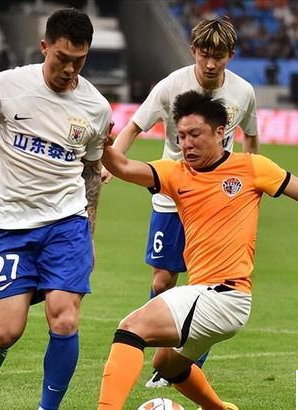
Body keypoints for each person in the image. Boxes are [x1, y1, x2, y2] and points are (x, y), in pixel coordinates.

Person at [97, 91, 298, 410]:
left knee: (130, 328)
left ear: (220, 132)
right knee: (167, 364)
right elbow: (123, 166)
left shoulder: (252, 168)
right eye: (181, 136)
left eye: (195, 134)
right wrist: (104, 146)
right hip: (207, 295)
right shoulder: (175, 173)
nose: (186, 144)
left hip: (224, 295)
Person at [0, 9, 110, 410]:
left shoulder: (96, 107)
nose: (69, 70)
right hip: (10, 225)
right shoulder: (8, 85)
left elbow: (92, 171)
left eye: (79, 61)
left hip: (66, 222)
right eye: (62, 58)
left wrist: (89, 232)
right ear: (44, 47)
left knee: (64, 316)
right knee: (7, 331)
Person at [101, 17, 259, 388]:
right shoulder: (171, 85)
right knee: (162, 281)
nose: (210, 63)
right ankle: (164, 352)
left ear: (230, 55)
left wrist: (251, 180)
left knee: (211, 285)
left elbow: (251, 137)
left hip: (219, 200)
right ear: (193, 51)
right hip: (173, 194)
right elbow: (134, 126)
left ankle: (185, 364)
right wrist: (113, 164)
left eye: (219, 56)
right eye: (204, 54)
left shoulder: (243, 92)